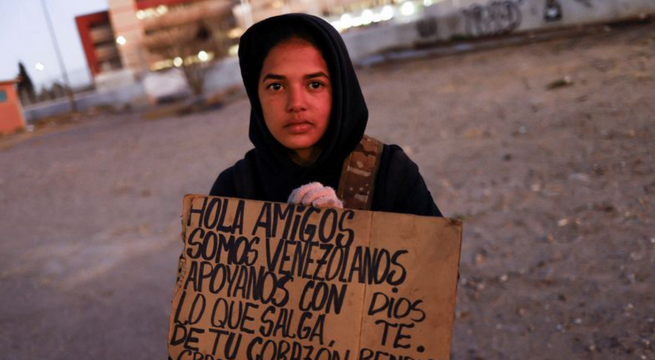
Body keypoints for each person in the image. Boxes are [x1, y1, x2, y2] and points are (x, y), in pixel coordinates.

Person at [210, 13, 442, 217]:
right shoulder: (235, 189)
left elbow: (435, 264)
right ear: (256, 96)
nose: (296, 104)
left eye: (314, 84)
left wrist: (344, 236)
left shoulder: (390, 174)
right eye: (276, 87)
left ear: (341, 90)